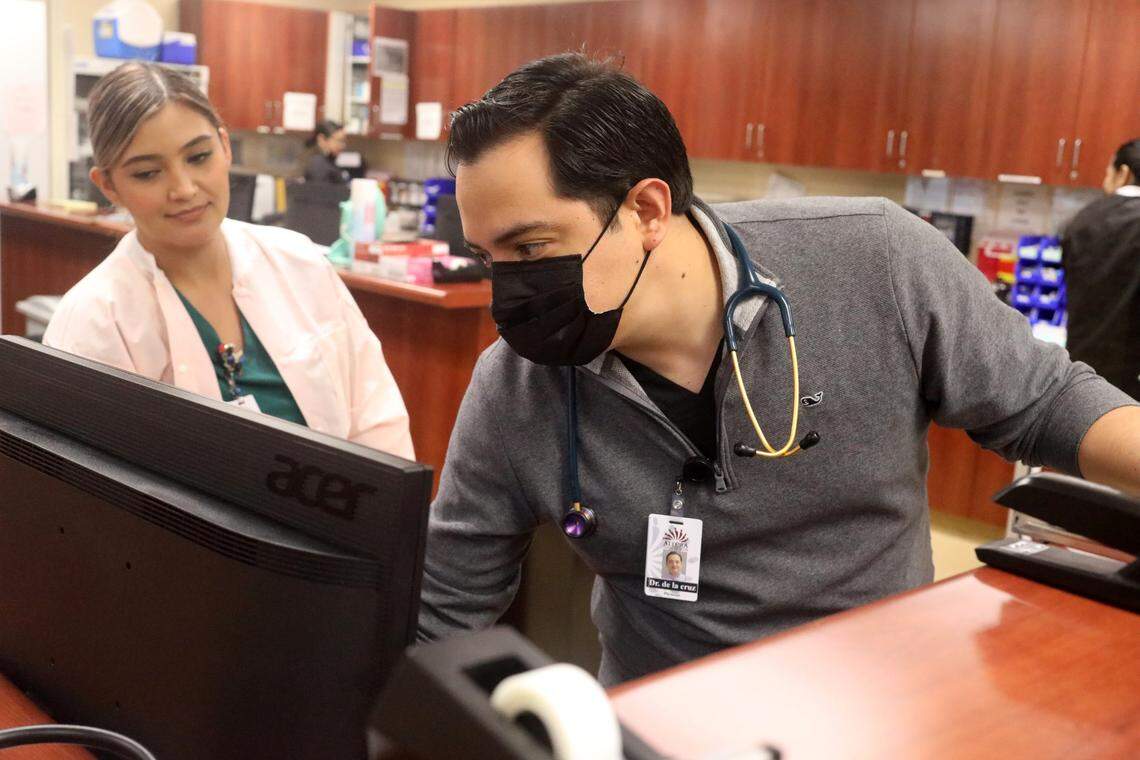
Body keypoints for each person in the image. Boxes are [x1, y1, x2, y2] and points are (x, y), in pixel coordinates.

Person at [416, 53, 1140, 686]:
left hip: (880, 702)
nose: (507, 291)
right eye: (488, 259)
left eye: (532, 249)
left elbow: (1046, 403)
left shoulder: (877, 261)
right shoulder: (516, 388)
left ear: (645, 210)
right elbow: (446, 609)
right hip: (662, 722)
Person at [44, 62, 414, 459]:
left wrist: (382, 516)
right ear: (108, 186)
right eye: (149, 173)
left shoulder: (300, 262)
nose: (184, 189)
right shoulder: (95, 319)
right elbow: (91, 495)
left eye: (199, 157)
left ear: (225, 146)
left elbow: (378, 421)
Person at [1062, 138, 1140, 399]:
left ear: (1124, 173)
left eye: (1108, 172)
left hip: (1082, 368)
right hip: (1132, 381)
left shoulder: (1083, 218)